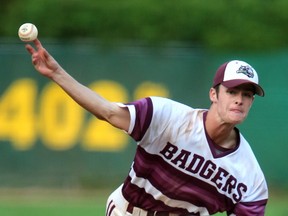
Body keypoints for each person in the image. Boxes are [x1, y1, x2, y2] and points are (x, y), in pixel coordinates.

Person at [25, 39, 268, 216]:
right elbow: (107, 111)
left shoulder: (251, 179)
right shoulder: (168, 116)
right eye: (232, 91)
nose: (239, 99)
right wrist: (57, 74)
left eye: (247, 95)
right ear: (214, 94)